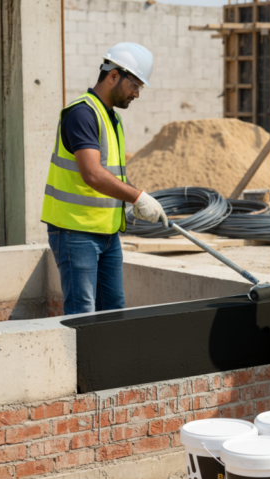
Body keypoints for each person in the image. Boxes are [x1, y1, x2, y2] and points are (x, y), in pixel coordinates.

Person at [41, 42, 167, 315]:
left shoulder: (111, 118)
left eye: (140, 87)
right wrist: (136, 197)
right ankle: (78, 360)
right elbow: (93, 174)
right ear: (113, 76)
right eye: (135, 85)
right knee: (83, 312)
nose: (137, 93)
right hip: (75, 231)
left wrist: (141, 197)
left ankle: (108, 360)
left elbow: (111, 173)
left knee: (113, 310)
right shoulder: (82, 113)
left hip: (107, 233)